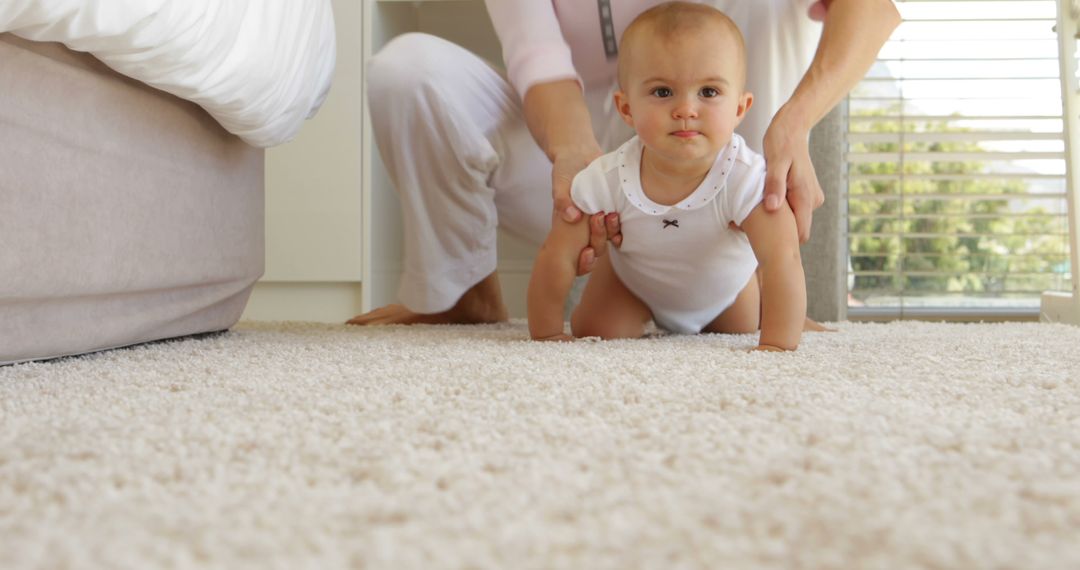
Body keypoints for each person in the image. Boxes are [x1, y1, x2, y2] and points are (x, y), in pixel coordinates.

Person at [348, 0, 900, 327]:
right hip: (577, 143)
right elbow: (536, 58)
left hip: (713, 161)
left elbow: (873, 8)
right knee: (407, 70)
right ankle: (461, 292)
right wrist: (578, 160)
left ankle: (744, 268)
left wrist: (794, 123)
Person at [528, 2, 806, 350]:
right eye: (662, 92)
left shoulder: (746, 178)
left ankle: (763, 296)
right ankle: (614, 286)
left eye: (708, 92)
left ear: (739, 108)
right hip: (633, 287)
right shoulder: (607, 177)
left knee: (746, 325)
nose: (686, 110)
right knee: (593, 327)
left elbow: (783, 257)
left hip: (726, 294)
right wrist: (546, 331)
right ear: (627, 109)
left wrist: (778, 345)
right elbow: (556, 253)